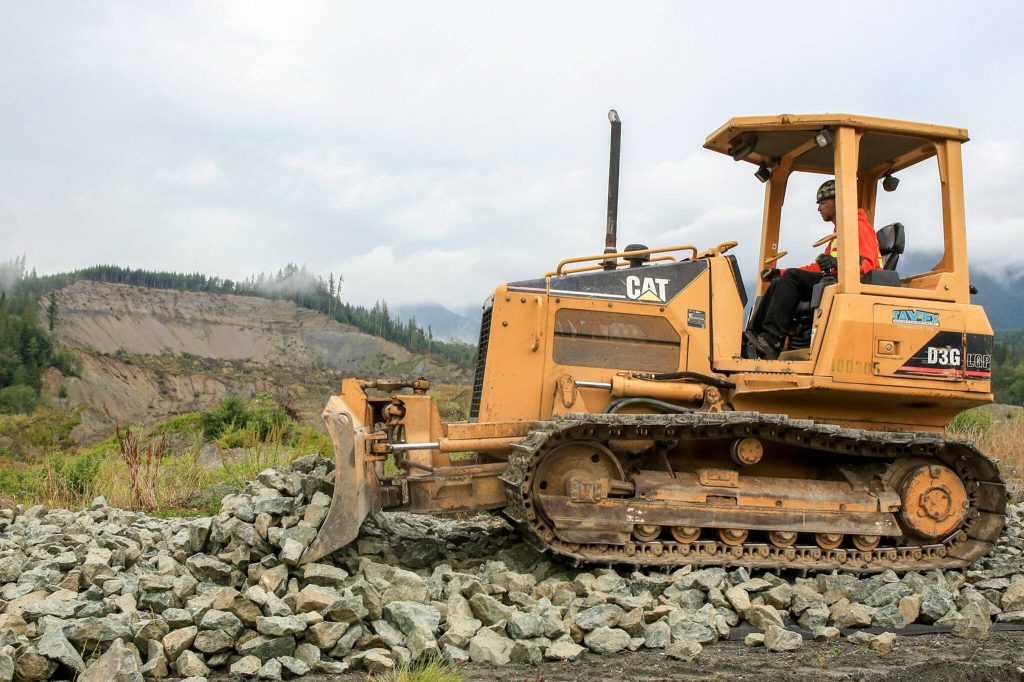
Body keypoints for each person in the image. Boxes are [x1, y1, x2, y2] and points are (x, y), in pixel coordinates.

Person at [746, 179, 881, 360]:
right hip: (839, 280)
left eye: (823, 203)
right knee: (782, 281)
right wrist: (781, 272)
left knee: (793, 278)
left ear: (838, 200)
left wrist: (834, 265)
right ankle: (755, 336)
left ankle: (772, 340)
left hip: (855, 286)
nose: (819, 208)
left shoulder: (859, 227)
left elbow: (867, 264)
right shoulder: (840, 233)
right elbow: (817, 268)